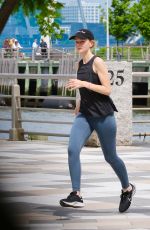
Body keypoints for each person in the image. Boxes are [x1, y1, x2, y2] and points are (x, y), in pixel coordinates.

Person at [59, 29, 136, 213]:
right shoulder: (79, 65)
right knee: (72, 149)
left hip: (104, 116)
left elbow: (107, 90)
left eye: (82, 41)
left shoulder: (98, 62)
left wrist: (84, 84)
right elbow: (82, 90)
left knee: (110, 157)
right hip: (85, 115)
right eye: (76, 42)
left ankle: (127, 188)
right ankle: (76, 194)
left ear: (91, 43)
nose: (78, 44)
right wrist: (78, 104)